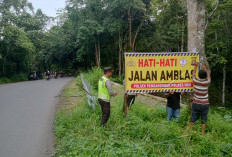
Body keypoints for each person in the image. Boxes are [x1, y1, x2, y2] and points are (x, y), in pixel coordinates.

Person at [190, 62, 211, 135]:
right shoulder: (207, 83)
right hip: (205, 103)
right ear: (205, 76)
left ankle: (190, 131)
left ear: (198, 75)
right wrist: (205, 69)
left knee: (193, 116)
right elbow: (208, 76)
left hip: (196, 103)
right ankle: (203, 132)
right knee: (204, 117)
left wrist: (195, 66)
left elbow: (193, 74)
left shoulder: (195, 81)